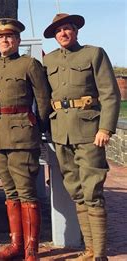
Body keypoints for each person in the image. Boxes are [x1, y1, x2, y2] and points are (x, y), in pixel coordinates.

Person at [43, 13, 121, 261]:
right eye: (58, 31)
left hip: (89, 132)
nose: (63, 34)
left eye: (67, 29)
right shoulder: (49, 60)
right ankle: (89, 250)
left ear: (76, 31)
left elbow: (110, 94)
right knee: (76, 190)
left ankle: (99, 254)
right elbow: (44, 98)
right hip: (61, 133)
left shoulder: (93, 54)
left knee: (92, 191)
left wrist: (105, 129)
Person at [0, 18, 51, 261]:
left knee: (27, 192)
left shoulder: (29, 64)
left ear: (18, 40)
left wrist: (38, 127)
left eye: (10, 36)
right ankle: (15, 245)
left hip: (23, 134)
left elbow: (43, 100)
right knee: (9, 192)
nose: (5, 40)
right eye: (1, 37)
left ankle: (32, 248)